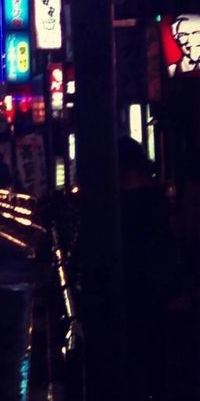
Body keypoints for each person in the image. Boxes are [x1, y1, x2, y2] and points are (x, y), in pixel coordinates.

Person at [117, 136, 174, 401]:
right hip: (154, 291)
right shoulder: (156, 199)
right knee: (156, 361)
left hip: (129, 289)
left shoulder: (117, 205)